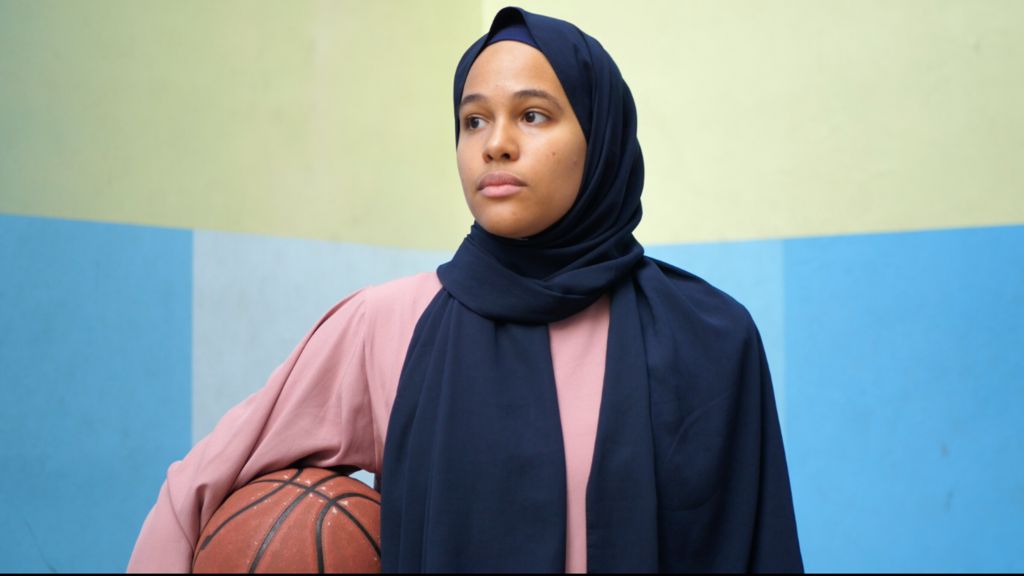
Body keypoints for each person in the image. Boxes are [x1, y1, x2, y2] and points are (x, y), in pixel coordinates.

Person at [128, 6, 802, 573]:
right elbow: (194, 490)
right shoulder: (389, 325)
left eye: (533, 116)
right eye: (473, 120)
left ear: (599, 138)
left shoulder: (711, 339)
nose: (495, 145)